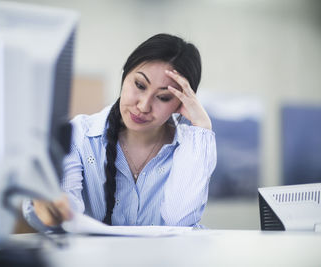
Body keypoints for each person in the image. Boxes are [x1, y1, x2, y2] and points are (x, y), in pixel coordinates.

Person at [22, 33, 216, 230]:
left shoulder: (189, 148)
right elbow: (66, 216)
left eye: (164, 97)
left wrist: (202, 126)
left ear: (180, 103)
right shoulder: (78, 136)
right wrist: (49, 206)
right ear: (124, 77)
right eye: (139, 85)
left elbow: (179, 222)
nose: (144, 105)